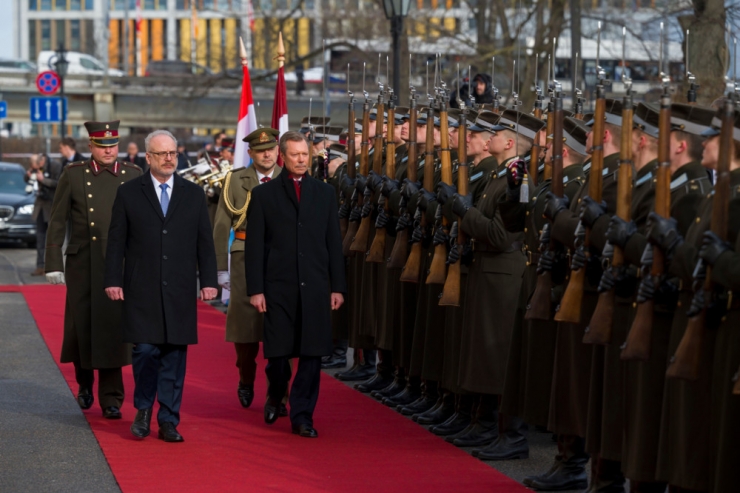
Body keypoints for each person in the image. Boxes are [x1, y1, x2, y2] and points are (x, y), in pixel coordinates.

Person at [103, 129, 218, 443]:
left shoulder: (193, 194)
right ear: (148, 157)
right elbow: (116, 242)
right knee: (145, 350)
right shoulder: (129, 192)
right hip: (142, 287)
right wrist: (113, 279)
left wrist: (209, 280)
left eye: (173, 153)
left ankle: (168, 419)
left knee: (173, 354)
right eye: (163, 153)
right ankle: (143, 410)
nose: (170, 158)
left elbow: (204, 243)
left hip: (179, 288)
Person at [244, 131, 346, 438]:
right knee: (277, 356)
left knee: (312, 355)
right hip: (278, 288)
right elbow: (255, 247)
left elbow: (333, 242)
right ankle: (276, 393)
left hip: (315, 286)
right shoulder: (264, 195)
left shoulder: (325, 193)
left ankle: (303, 416)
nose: (302, 159)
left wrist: (337, 286)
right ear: (283, 157)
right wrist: (255, 289)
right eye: (296, 155)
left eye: (305, 154)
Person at [45, 120, 142, 419]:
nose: (109, 150)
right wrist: (53, 263)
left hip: (119, 264)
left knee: (114, 330)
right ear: (91, 147)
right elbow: (58, 220)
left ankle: (112, 398)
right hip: (83, 264)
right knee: (82, 328)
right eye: (103, 146)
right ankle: (85, 383)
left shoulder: (133, 174)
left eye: (113, 145)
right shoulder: (74, 175)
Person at [212, 127, 283, 411]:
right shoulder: (235, 179)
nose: (267, 154)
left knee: (282, 328)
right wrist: (220, 269)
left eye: (271, 149)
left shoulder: (289, 178)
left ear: (278, 151)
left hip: (281, 259)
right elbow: (220, 226)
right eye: (260, 150)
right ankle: (245, 377)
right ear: (251, 153)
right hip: (243, 257)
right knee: (245, 330)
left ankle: (279, 394)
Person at [25, 153, 62, 276]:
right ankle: (40, 266)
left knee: (53, 238)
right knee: (40, 238)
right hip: (40, 206)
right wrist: (29, 175)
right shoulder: (37, 167)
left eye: (37, 166)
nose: (37, 168)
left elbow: (59, 183)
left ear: (42, 161)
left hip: (52, 206)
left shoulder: (55, 166)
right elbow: (27, 181)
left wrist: (43, 180)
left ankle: (53, 267)